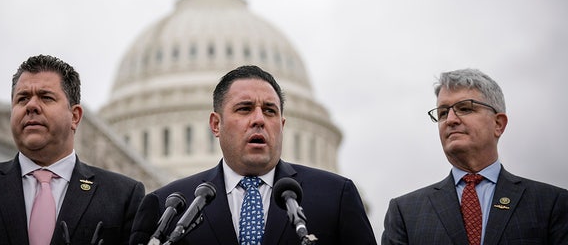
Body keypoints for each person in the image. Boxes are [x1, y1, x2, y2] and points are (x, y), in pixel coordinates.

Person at [129, 65, 376, 245]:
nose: (259, 119)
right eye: (245, 109)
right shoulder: (169, 206)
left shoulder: (335, 197)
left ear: (282, 124)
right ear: (216, 124)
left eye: (269, 111)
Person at [0, 54, 145, 245]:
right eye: (22, 99)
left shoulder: (123, 196)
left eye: (46, 97)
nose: (31, 105)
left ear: (75, 116)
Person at [381, 68, 568, 244]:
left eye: (465, 108)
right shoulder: (405, 212)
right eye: (443, 113)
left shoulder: (552, 204)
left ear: (498, 124)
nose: (451, 120)